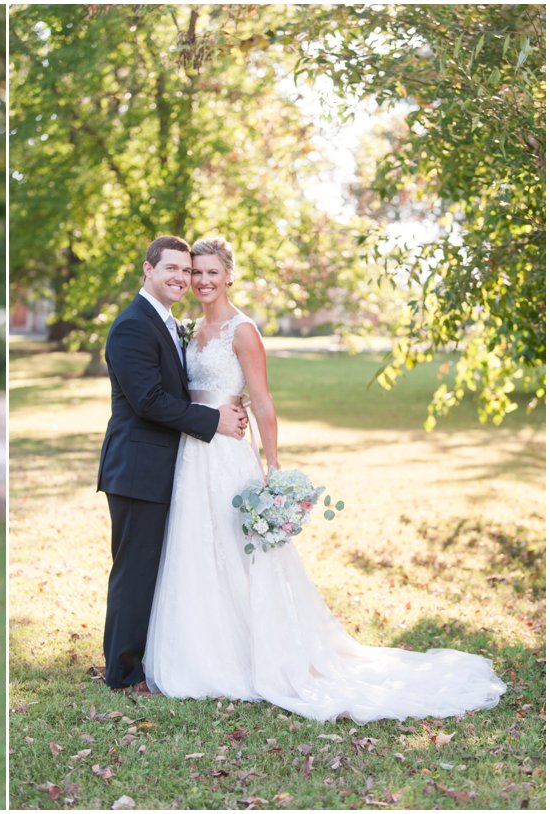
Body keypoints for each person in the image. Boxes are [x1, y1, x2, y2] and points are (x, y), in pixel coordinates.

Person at [143, 235, 506, 723]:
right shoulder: (191, 329)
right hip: (193, 452)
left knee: (239, 552)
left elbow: (262, 401)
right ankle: (205, 650)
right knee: (198, 549)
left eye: (211, 272)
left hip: (228, 454)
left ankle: (258, 655)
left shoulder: (242, 330)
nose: (201, 281)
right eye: (195, 272)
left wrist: (273, 468)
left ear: (229, 276)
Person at [97, 235, 248, 691]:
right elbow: (148, 401)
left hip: (166, 466)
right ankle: (123, 674)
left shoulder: (167, 322)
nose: (182, 278)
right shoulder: (132, 326)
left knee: (155, 570)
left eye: (188, 270)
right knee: (134, 573)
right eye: (173, 268)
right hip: (137, 469)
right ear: (148, 269)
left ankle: (149, 659)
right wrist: (214, 420)